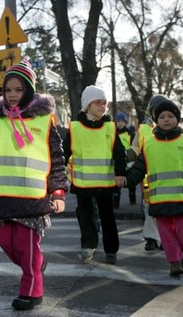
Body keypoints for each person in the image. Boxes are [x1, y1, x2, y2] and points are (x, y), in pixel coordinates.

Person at [0, 60, 68, 311]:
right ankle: (37, 263)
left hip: (34, 197)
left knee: (27, 247)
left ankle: (32, 291)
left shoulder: (45, 119)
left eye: (18, 90)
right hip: (3, 197)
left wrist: (58, 192)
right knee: (4, 240)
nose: (12, 95)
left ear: (29, 90)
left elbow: (57, 158)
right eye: (8, 90)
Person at [125, 98, 183, 276]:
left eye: (170, 116)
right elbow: (139, 169)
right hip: (158, 200)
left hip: (182, 198)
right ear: (156, 120)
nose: (166, 119)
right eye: (162, 117)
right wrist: (126, 180)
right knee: (166, 234)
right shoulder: (149, 144)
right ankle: (175, 262)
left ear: (177, 119)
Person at [63, 85, 127, 265]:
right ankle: (88, 245)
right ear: (87, 105)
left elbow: (119, 153)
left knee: (108, 218)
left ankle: (111, 250)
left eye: (104, 103)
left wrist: (121, 173)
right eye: (98, 102)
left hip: (105, 183)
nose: (102, 106)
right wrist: (57, 173)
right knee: (85, 216)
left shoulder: (110, 127)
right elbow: (64, 152)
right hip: (82, 184)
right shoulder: (75, 128)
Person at [131, 95, 167, 251]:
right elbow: (134, 148)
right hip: (148, 176)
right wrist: (130, 168)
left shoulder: (171, 126)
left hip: (168, 174)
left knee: (166, 207)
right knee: (149, 207)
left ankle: (166, 238)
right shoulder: (143, 129)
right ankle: (151, 238)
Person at [113, 111, 136, 208]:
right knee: (117, 184)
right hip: (118, 160)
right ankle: (115, 204)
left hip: (129, 161)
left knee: (131, 183)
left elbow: (134, 146)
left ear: (126, 122)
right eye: (118, 121)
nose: (120, 123)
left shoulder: (130, 134)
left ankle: (132, 200)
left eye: (122, 121)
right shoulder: (113, 134)